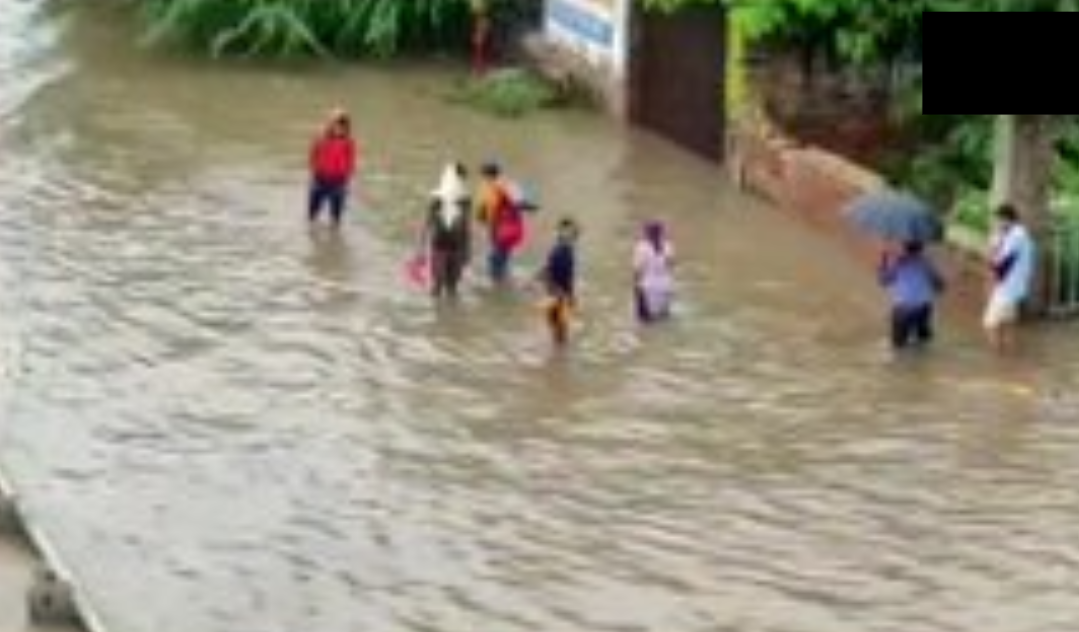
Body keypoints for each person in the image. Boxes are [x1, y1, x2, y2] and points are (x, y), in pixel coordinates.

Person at [984, 204, 1037, 353]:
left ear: (1006, 219)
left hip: (1008, 287)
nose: (996, 224)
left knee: (990, 324)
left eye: (998, 220)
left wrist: (993, 245)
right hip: (1014, 286)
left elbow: (996, 262)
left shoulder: (1014, 237)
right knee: (1007, 322)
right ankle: (1010, 355)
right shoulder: (1021, 234)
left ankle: (998, 360)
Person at [878, 241, 945, 350]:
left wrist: (883, 261)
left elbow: (883, 281)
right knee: (924, 341)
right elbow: (940, 285)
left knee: (898, 346)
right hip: (923, 307)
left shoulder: (898, 262)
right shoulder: (927, 263)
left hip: (903, 309)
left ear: (904, 248)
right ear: (921, 248)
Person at [422, 163, 472, 299]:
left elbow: (467, 225)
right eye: (460, 178)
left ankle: (449, 316)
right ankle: (442, 315)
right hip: (440, 245)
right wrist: (420, 249)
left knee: (452, 285)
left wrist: (467, 250)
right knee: (438, 284)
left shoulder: (465, 199)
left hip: (456, 246)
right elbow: (427, 223)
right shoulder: (437, 198)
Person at [476, 162, 525, 285]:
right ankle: (503, 279)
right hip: (506, 227)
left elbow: (483, 210)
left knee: (494, 258)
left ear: (487, 175)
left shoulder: (495, 187)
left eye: (483, 175)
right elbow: (520, 202)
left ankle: (498, 283)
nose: (483, 178)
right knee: (501, 256)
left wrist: (481, 218)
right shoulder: (507, 185)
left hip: (503, 228)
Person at [308, 108, 357, 228]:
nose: (339, 128)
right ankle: (312, 229)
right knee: (313, 213)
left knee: (336, 215)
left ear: (346, 127)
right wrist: (315, 171)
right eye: (336, 124)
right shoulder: (320, 138)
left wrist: (347, 176)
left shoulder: (349, 141)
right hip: (320, 179)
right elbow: (313, 155)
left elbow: (351, 160)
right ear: (330, 124)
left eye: (342, 125)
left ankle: (335, 231)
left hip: (339, 181)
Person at [538, 218, 579, 346]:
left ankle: (557, 356)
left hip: (559, 294)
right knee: (560, 329)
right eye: (565, 231)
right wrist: (561, 293)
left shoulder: (568, 250)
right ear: (559, 233)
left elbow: (567, 276)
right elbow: (548, 271)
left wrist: (571, 295)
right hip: (556, 294)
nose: (569, 236)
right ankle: (558, 356)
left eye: (572, 233)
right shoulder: (559, 251)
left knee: (559, 329)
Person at [634, 221, 675, 323]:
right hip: (666, 284)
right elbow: (670, 265)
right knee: (664, 317)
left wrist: (636, 285)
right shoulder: (667, 246)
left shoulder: (642, 247)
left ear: (646, 233)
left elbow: (638, 269)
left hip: (648, 285)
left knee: (644, 321)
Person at [470, 0, 493, 76]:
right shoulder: (478, 18)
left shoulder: (485, 18)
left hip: (482, 24)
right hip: (479, 26)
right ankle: (478, 69)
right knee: (478, 49)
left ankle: (482, 69)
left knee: (483, 48)